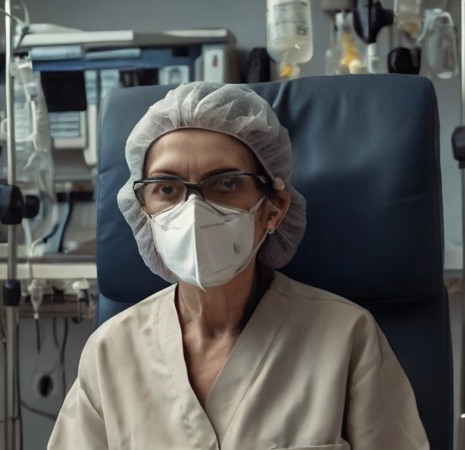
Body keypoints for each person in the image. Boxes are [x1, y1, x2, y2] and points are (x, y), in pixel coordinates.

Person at [49, 82, 429, 449]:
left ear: (273, 210)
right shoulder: (112, 351)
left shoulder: (346, 337)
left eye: (226, 184)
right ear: (142, 210)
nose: (193, 210)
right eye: (167, 188)